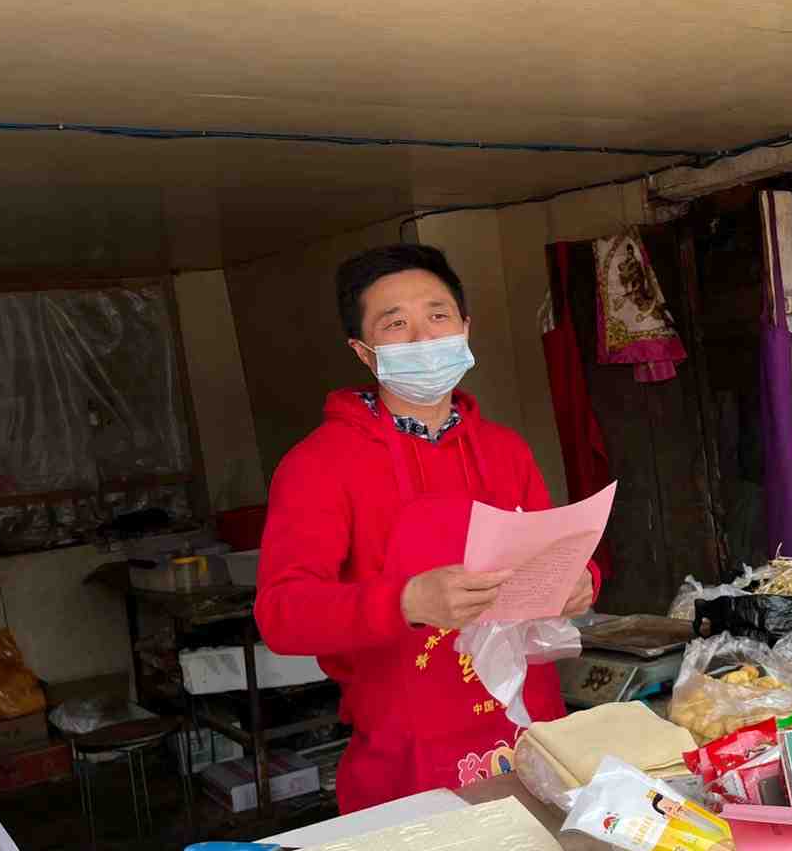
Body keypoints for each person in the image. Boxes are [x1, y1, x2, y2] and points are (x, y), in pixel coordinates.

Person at [256, 243, 597, 813]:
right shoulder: (318, 464)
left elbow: (554, 551)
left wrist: (581, 580)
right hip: (408, 756)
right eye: (396, 324)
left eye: (438, 316)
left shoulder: (505, 450)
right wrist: (406, 600)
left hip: (533, 735)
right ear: (363, 352)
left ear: (465, 328)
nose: (422, 338)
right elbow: (282, 614)